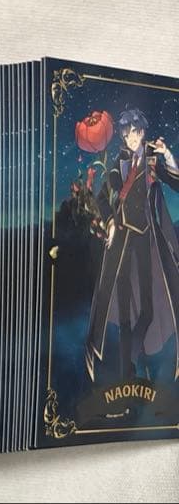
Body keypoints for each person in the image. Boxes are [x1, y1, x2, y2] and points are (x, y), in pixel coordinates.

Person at [84, 108, 179, 382]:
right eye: (127, 134)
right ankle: (127, 371)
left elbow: (175, 183)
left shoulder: (151, 161)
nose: (132, 138)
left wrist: (168, 155)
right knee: (125, 313)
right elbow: (102, 198)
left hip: (146, 242)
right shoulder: (119, 162)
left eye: (135, 132)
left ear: (143, 132)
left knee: (147, 311)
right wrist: (111, 223)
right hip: (122, 244)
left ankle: (134, 358)